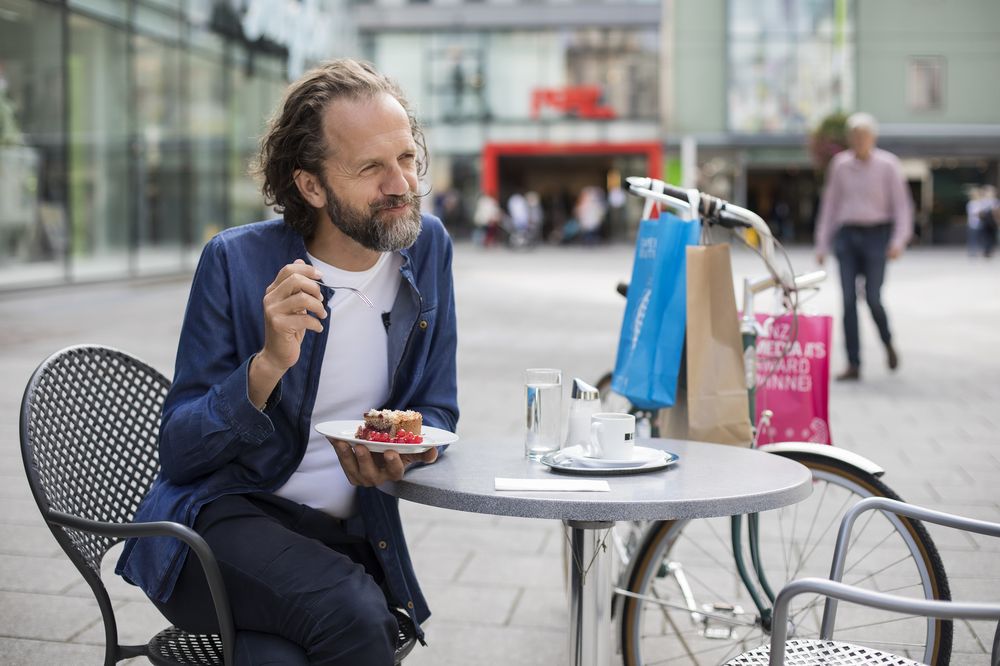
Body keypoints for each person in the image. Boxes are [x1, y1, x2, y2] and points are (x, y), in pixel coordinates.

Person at [115, 59, 458, 665]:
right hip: (221, 523)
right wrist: (267, 364)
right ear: (311, 186)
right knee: (351, 612)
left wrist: (407, 448)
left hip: (343, 538)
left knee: (284, 656)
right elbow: (179, 449)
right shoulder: (235, 262)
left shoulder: (426, 246)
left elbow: (435, 404)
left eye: (406, 157)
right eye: (371, 168)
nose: (401, 184)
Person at [814, 112, 913, 381]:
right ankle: (853, 363)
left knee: (872, 298)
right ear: (849, 139)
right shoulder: (840, 165)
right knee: (847, 300)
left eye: (864, 135)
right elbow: (830, 206)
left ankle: (887, 341)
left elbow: (902, 207)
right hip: (847, 236)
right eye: (854, 136)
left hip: (876, 236)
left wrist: (898, 240)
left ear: (873, 137)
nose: (859, 140)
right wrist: (822, 243)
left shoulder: (888, 165)